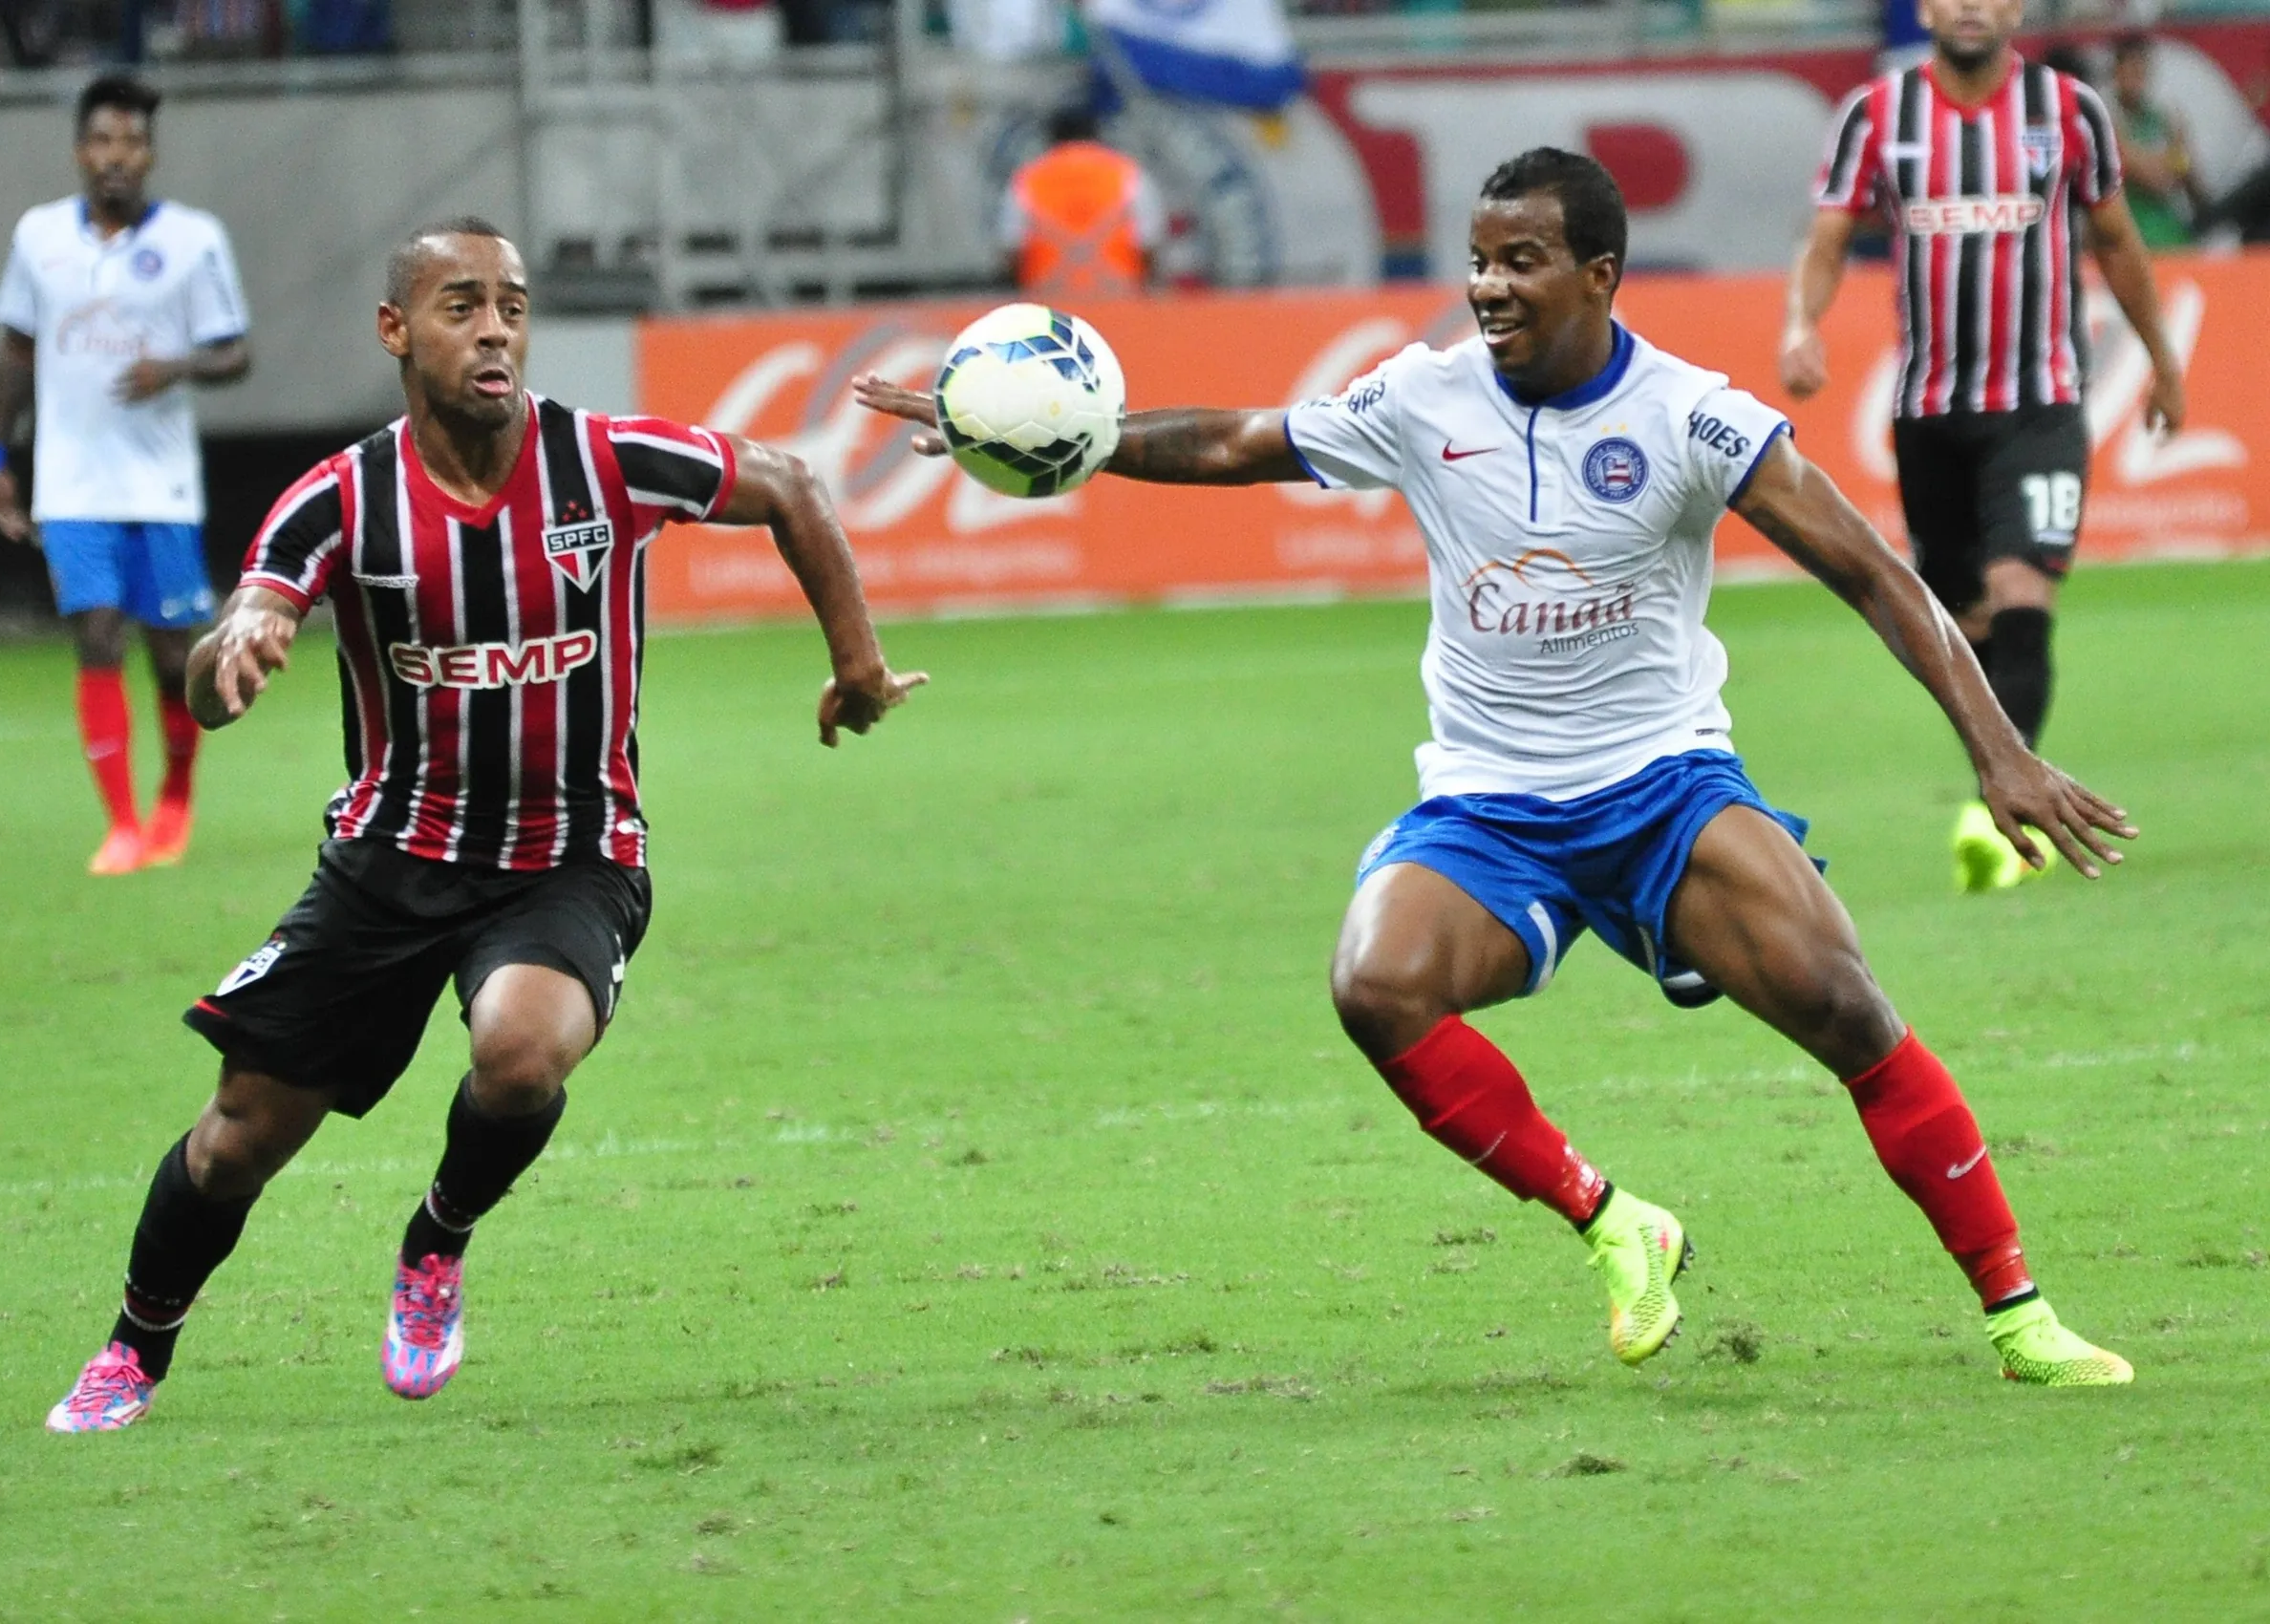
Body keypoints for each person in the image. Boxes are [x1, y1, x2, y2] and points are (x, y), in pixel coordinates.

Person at [860, 148, 2140, 1385]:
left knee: (1850, 1013)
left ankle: (2021, 1319)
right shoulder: (1424, 399)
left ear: (1599, 274)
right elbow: (1240, 441)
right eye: (1478, 262)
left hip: (1663, 792)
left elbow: (1876, 575)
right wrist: (1067, 440)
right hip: (1486, 809)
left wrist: (2001, 754)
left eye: (1520, 261)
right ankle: (1614, 1222)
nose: (1488, 287)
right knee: (1376, 985)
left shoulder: (1696, 418)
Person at [43, 219, 927, 1433]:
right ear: (396, 331)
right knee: (237, 1138)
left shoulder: (604, 461)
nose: (496, 327)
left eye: (511, 303)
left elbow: (791, 482)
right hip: (388, 864)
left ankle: (436, 1239)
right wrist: (230, 652)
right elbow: (237, 631)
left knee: (519, 1052)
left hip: (572, 856)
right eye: (461, 305)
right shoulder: (342, 499)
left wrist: (858, 663)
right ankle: (134, 1349)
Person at [1781, 0, 2186, 892]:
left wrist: (2160, 360)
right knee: (1964, 619)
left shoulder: (2070, 112)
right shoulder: (1879, 115)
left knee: (2022, 593)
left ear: (2015, 9)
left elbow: (2117, 239)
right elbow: (1829, 237)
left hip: (2039, 403)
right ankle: (2002, 787)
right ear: (1927, 9)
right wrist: (1801, 324)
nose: (1970, 6)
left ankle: (1993, 820)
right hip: (1928, 415)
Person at [0, 75, 252, 875]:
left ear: (150, 154)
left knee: (174, 656)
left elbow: (236, 351)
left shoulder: (195, 240)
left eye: (132, 142)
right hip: (70, 482)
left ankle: (175, 795)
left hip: (162, 484)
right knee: (96, 635)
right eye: (102, 141)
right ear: (79, 151)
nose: (116, 157)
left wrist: (178, 365)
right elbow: (16, 352)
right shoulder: (38, 237)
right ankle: (122, 824)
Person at [998, 106, 1166, 299]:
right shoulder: (1128, 174)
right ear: (1096, 134)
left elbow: (1011, 246)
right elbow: (1150, 241)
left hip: (1048, 302)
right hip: (1119, 300)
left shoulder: (1027, 178)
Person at [2109, 32, 2208, 249]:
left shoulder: (2158, 116)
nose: (2139, 78)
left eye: (2143, 70)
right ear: (2117, 72)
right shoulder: (2107, 117)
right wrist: (2175, 153)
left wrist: (2176, 159)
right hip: (2131, 230)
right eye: (2132, 70)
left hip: (2169, 225)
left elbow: (2191, 180)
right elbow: (2156, 179)